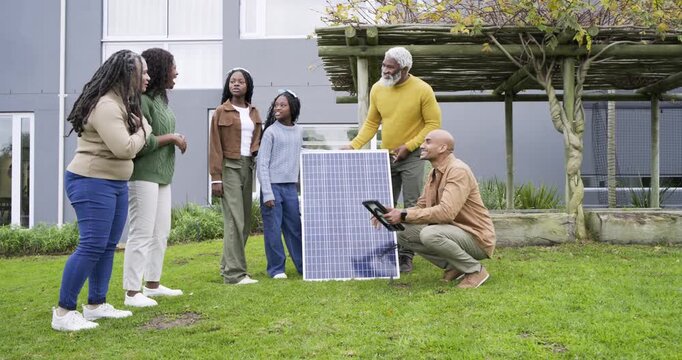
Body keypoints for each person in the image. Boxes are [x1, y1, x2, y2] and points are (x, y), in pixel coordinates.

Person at [52, 49, 152, 331]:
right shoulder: (107, 105)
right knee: (92, 244)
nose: (147, 77)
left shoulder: (122, 104)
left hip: (114, 183)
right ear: (127, 74)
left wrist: (138, 128)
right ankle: (63, 312)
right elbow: (125, 148)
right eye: (142, 72)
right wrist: (144, 127)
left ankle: (96, 304)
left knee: (107, 246)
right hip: (91, 181)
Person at [342, 46, 441, 273]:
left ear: (404, 69)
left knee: (411, 204)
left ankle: (406, 255)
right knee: (384, 204)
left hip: (413, 156)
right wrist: (354, 145)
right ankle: (387, 249)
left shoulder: (423, 90)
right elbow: (371, 123)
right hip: (386, 156)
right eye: (384, 65)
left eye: (390, 67)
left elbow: (433, 125)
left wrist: (409, 146)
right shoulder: (378, 89)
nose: (385, 70)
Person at [378, 129, 496, 289]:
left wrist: (404, 214)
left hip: (476, 238)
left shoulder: (458, 170)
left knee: (429, 234)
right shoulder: (434, 173)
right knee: (402, 231)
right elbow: (420, 206)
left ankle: (475, 270)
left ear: (442, 148)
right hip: (453, 232)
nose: (421, 146)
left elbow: (446, 213)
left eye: (428, 141)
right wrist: (395, 212)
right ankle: (454, 266)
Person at [122, 48, 187, 307]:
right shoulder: (142, 101)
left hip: (162, 175)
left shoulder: (160, 101)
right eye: (173, 67)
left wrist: (175, 136)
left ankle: (152, 284)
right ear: (162, 69)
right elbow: (140, 142)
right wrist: (171, 138)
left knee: (161, 232)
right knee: (142, 232)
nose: (176, 72)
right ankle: (131, 292)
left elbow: (158, 132)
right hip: (143, 175)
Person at [209, 68, 262, 285]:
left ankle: (226, 266)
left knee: (245, 221)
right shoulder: (221, 111)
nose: (236, 84)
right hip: (229, 167)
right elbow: (214, 145)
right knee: (235, 220)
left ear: (248, 85)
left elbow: (257, 140)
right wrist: (216, 177)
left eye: (240, 81)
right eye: (232, 81)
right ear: (228, 85)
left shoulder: (254, 112)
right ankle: (235, 274)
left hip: (248, 167)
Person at [257, 90, 303, 279]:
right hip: (273, 187)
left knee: (295, 228)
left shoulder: (299, 131)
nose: (278, 108)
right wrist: (267, 192)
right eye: (276, 105)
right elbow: (262, 163)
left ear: (292, 108)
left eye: (282, 105)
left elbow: (299, 154)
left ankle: (303, 265)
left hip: (290, 188)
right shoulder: (270, 132)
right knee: (273, 230)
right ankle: (276, 269)